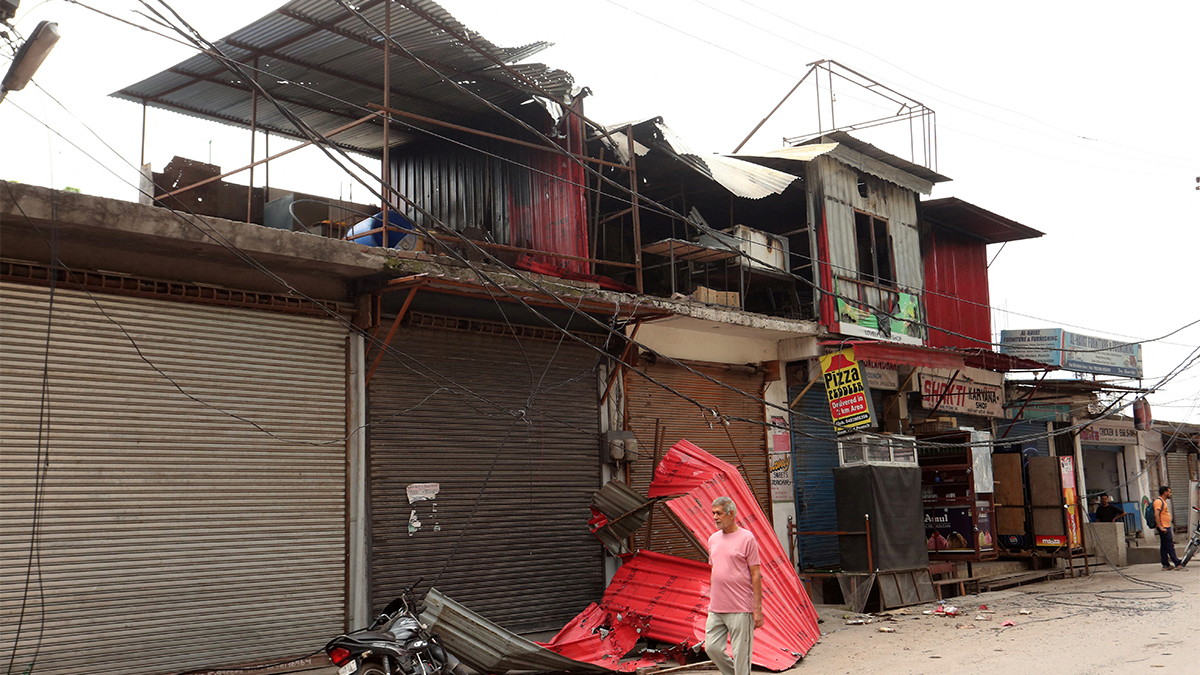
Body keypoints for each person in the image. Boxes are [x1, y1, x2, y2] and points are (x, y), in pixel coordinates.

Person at [704, 496, 763, 675]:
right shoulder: (713, 539)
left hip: (740, 608)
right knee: (711, 648)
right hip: (716, 607)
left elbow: (756, 574)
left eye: (719, 513)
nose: (715, 517)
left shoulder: (747, 538)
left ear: (731, 514)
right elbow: (715, 570)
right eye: (713, 513)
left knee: (740, 655)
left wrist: (757, 609)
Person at [1154, 486, 1186, 570]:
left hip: (1166, 526)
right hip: (1163, 527)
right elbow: (1156, 514)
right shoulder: (1158, 501)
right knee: (1170, 545)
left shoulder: (1163, 502)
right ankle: (1177, 563)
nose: (1170, 494)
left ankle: (1165, 564)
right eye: (1169, 492)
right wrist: (1160, 527)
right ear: (1165, 492)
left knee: (1164, 546)